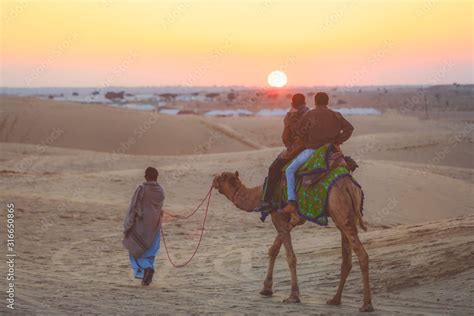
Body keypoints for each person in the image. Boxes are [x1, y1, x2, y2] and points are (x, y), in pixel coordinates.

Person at [281, 92, 354, 213]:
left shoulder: (309, 115)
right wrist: (337, 140)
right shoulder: (336, 115)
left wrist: (291, 116)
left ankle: (292, 202)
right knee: (346, 167)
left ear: (315, 102)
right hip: (332, 150)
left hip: (312, 150)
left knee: (290, 170)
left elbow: (298, 131)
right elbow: (349, 128)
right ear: (327, 102)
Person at [254, 93, 309, 213]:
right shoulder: (310, 114)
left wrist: (290, 147)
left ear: (293, 104)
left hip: (296, 150)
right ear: (305, 102)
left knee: (273, 169)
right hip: (312, 149)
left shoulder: (291, 117)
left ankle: (267, 202)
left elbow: (285, 137)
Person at [123, 167, 165, 286]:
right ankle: (147, 272)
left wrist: (128, 225)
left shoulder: (141, 189)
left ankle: (147, 269)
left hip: (141, 226)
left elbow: (134, 208)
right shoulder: (161, 190)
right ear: (156, 177)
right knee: (150, 251)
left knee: (135, 250)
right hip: (155, 227)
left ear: (146, 176)